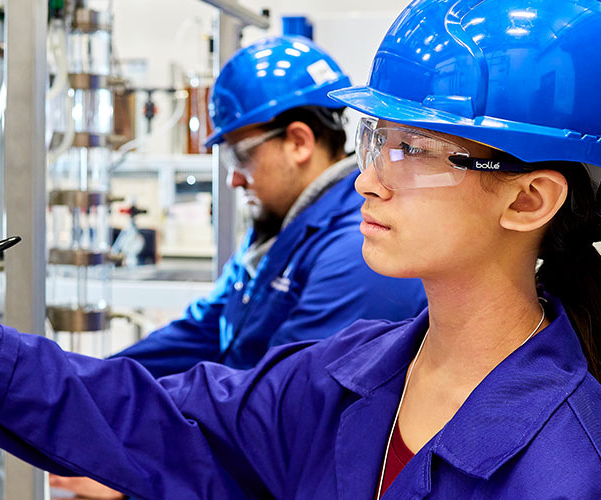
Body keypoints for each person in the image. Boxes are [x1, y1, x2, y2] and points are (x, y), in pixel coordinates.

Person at [0, 0, 601, 497]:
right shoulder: (351, 377)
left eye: (412, 150)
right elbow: (153, 416)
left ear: (529, 199)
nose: (368, 181)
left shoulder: (579, 470)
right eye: (377, 139)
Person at [111, 35, 425, 380]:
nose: (233, 180)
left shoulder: (356, 248)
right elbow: (202, 330)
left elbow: (283, 397)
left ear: (298, 142)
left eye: (240, 156)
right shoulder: (277, 226)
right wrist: (93, 382)